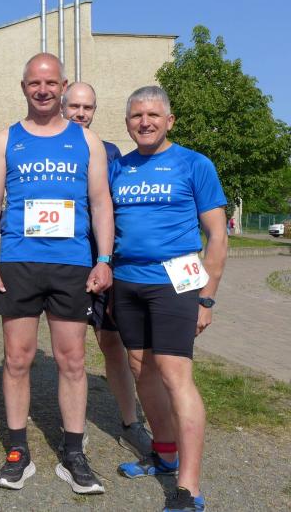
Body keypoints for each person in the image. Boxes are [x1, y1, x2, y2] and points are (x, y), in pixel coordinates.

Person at [0, 53, 113, 495]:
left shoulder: (87, 141)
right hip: (19, 261)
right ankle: (18, 450)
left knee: (72, 360)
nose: (43, 90)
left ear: (63, 86)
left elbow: (100, 203)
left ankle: (74, 453)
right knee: (17, 359)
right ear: (24, 87)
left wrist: (104, 258)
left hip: (72, 264)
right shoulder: (5, 140)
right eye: (35, 83)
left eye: (51, 83)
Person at [111, 86, 227, 512]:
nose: (145, 122)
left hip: (176, 283)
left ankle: (188, 488)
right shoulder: (118, 167)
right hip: (126, 281)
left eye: (153, 115)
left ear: (169, 121)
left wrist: (206, 299)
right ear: (128, 122)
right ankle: (164, 453)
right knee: (141, 368)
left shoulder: (194, 164)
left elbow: (218, 236)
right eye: (136, 115)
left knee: (176, 375)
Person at [61, 81, 152, 459]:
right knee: (68, 350)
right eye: (74, 106)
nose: (81, 114)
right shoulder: (44, 146)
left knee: (112, 343)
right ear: (63, 107)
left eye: (88, 108)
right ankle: (71, 428)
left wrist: (111, 257)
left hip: (102, 262)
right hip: (62, 263)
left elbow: (117, 207)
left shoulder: (109, 152)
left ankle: (131, 422)